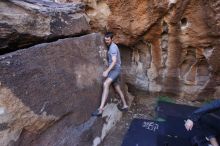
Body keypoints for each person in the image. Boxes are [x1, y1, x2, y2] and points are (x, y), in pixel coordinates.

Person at [92, 32, 128, 117]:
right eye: (105, 40)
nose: (106, 41)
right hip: (114, 70)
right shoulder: (112, 46)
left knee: (105, 84)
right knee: (117, 88)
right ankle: (125, 105)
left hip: (115, 70)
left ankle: (100, 109)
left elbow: (114, 61)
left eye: (108, 40)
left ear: (112, 39)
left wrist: (107, 71)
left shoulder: (112, 48)